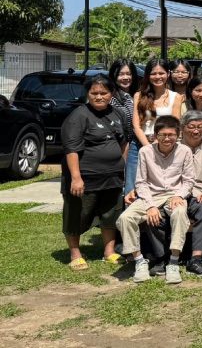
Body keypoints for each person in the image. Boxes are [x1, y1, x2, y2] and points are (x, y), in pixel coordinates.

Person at [118, 115, 193, 284]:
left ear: (178, 135)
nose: (167, 138)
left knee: (180, 213)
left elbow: (188, 181)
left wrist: (179, 195)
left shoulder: (184, 151)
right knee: (125, 218)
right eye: (163, 135)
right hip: (150, 195)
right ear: (155, 135)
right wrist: (150, 206)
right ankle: (139, 261)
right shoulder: (145, 151)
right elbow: (141, 182)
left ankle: (173, 261)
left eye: (171, 135)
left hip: (174, 194)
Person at [62, 75, 125, 270]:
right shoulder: (78, 116)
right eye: (94, 93)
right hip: (85, 177)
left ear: (111, 94)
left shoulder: (118, 114)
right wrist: (76, 178)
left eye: (103, 93)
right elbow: (71, 149)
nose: (99, 97)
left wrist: (121, 164)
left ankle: (109, 252)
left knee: (110, 214)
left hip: (113, 177)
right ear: (88, 94)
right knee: (77, 214)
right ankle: (75, 254)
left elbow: (124, 140)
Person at [129, 58, 182, 194]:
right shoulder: (139, 96)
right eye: (153, 74)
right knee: (133, 187)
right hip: (140, 145)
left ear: (168, 74)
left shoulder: (175, 97)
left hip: (165, 145)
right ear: (148, 75)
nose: (157, 77)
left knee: (157, 187)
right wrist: (148, 147)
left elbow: (174, 124)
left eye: (161, 73)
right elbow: (136, 124)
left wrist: (159, 144)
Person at [177, 110, 202, 277]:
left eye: (200, 127)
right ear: (183, 128)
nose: (196, 130)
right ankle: (162, 258)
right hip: (175, 193)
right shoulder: (174, 146)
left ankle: (196, 259)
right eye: (191, 126)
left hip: (200, 193)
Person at [109, 59, 138, 169]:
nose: (125, 78)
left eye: (129, 74)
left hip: (133, 148)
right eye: (121, 74)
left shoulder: (134, 95)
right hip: (119, 147)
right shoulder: (112, 99)